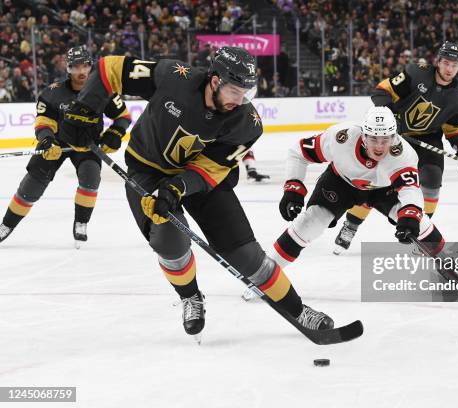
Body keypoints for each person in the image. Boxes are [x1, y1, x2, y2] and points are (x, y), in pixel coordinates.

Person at [59, 46, 334, 342]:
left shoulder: (247, 123)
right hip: (147, 170)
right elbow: (109, 68)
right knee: (169, 240)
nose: (240, 101)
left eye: (246, 93)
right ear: (214, 81)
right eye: (234, 91)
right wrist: (86, 108)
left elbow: (210, 171)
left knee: (246, 256)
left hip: (199, 180)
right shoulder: (174, 77)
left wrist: (178, 187)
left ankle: (296, 309)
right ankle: (191, 297)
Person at [242, 106, 445, 301]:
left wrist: (409, 218)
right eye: (374, 138)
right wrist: (293, 187)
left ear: (395, 137)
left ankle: (452, 268)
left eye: (386, 139)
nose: (380, 146)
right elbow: (298, 152)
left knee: (421, 222)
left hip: (384, 189)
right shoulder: (341, 137)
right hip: (341, 182)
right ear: (364, 135)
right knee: (310, 222)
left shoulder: (404, 154)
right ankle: (263, 278)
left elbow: (410, 190)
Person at [333, 41, 458, 254]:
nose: (449, 68)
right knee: (375, 182)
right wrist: (388, 117)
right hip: (395, 135)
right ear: (438, 62)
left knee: (432, 178)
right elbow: (382, 90)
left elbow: (454, 127)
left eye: (454, 64)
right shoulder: (417, 73)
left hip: (428, 139)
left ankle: (423, 233)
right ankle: (351, 225)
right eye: (446, 62)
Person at [0, 46, 130, 248]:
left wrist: (114, 134)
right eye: (75, 67)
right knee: (32, 185)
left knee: (91, 178)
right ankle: (6, 224)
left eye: (85, 66)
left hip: (88, 144)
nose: (81, 72)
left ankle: (81, 222)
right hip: (58, 144)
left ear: (91, 65)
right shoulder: (53, 93)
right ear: (68, 69)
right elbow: (44, 122)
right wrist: (47, 141)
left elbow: (123, 117)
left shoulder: (105, 90)